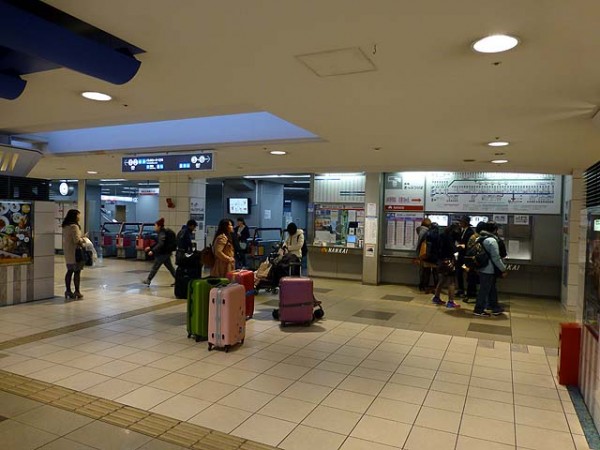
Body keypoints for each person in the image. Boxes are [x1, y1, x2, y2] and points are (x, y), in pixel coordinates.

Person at [473, 221, 507, 317]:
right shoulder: (492, 241)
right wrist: (503, 269)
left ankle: (494, 307)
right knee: (484, 290)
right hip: (489, 269)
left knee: (490, 289)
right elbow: (496, 258)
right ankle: (478, 310)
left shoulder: (480, 238)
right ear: (495, 230)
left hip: (481, 267)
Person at [432, 223, 461, 308]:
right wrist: (460, 247)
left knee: (442, 279)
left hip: (440, 261)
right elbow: (453, 250)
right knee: (451, 282)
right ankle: (450, 302)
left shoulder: (441, 236)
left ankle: (436, 297)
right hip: (448, 261)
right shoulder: (449, 238)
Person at [142, 218, 177, 286]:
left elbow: (161, 244)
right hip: (166, 253)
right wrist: (150, 247)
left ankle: (148, 280)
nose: (154, 227)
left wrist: (152, 251)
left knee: (155, 267)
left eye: (155, 226)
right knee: (170, 268)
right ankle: (178, 280)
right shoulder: (162, 232)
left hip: (162, 254)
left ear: (159, 226)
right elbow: (158, 243)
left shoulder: (162, 233)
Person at [62, 209, 86, 299]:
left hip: (68, 252)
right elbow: (76, 240)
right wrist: (83, 239)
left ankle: (68, 291)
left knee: (69, 271)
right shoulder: (74, 226)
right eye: (78, 215)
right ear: (74, 216)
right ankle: (77, 291)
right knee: (77, 272)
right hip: (76, 252)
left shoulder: (65, 226)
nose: (79, 217)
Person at [455, 215, 477, 300]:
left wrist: (463, 246)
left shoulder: (470, 232)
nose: (460, 223)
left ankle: (469, 291)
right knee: (459, 272)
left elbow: (469, 245)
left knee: (468, 273)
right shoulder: (462, 231)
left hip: (466, 258)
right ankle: (460, 289)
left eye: (461, 222)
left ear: (465, 223)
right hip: (461, 257)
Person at [415, 218, 437, 292]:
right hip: (425, 255)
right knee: (425, 271)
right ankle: (423, 285)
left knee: (424, 270)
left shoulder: (422, 231)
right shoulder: (425, 231)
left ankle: (423, 285)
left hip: (423, 254)